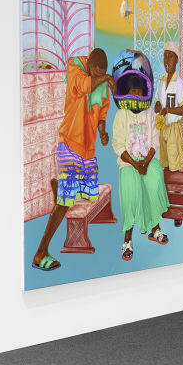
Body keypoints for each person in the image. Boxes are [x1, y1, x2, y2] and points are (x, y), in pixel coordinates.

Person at [31, 47, 114, 271]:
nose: (99, 77)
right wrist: (106, 78)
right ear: (89, 65)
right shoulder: (75, 67)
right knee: (66, 203)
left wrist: (102, 131)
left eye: (102, 74)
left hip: (88, 149)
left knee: (87, 195)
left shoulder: (100, 81)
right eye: (97, 73)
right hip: (69, 143)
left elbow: (102, 112)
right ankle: (40, 252)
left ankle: (60, 188)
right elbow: (85, 85)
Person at [110, 50, 171, 261]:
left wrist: (145, 162)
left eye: (139, 91)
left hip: (147, 159)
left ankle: (155, 229)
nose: (136, 95)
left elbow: (154, 141)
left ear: (144, 92)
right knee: (131, 190)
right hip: (128, 163)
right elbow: (118, 145)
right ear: (127, 93)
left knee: (154, 180)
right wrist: (136, 165)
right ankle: (127, 240)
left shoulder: (149, 113)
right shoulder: (121, 115)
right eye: (132, 92)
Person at [156, 47, 183, 174]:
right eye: (165, 56)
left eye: (170, 56)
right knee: (164, 164)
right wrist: (157, 105)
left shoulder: (179, 83)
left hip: (173, 129)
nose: (167, 59)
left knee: (174, 166)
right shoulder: (161, 81)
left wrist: (167, 110)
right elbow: (158, 100)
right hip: (162, 127)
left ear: (176, 60)